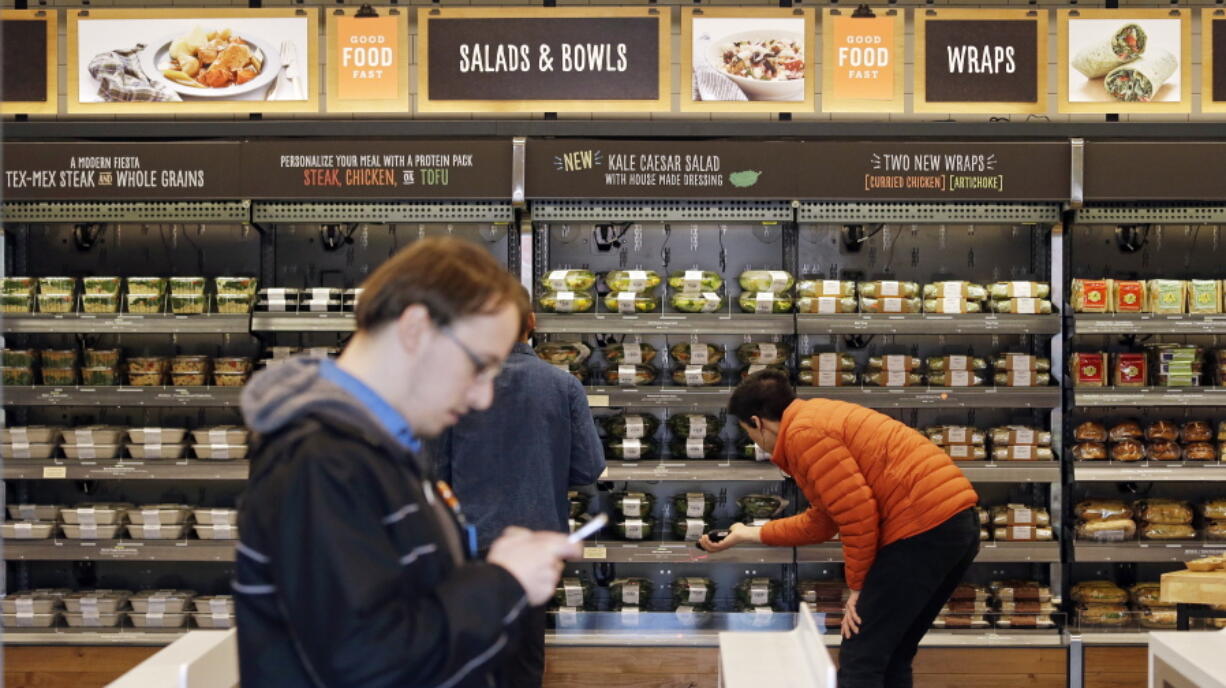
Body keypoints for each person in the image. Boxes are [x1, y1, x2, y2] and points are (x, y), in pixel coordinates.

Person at [234, 237, 580, 688]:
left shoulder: (379, 450)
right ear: (416, 328)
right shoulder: (323, 461)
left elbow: (400, 610)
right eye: (480, 365)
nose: (483, 395)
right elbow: (367, 663)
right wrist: (503, 582)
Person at [700, 369, 980, 688]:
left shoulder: (804, 435)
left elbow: (857, 513)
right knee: (891, 654)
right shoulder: (815, 417)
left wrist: (858, 588)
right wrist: (747, 533)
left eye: (747, 431)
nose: (753, 440)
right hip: (953, 523)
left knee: (861, 656)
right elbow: (824, 519)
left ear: (757, 422)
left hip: (922, 528)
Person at [431, 300, 605, 688]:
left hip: (469, 546)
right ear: (532, 323)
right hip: (536, 543)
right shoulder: (564, 385)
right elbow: (588, 469)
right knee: (525, 661)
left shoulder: (459, 385)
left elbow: (436, 472)